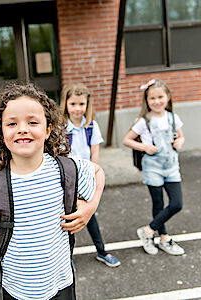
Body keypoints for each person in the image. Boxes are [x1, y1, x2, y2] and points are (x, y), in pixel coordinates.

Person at [0, 82, 105, 300]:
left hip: (60, 283)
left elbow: (98, 172)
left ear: (48, 129)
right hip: (15, 288)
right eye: (11, 123)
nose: (22, 129)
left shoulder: (64, 168)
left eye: (32, 122)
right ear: (0, 131)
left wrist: (89, 208)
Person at [60, 83, 121, 267]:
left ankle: (101, 251)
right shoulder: (61, 128)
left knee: (89, 215)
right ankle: (64, 258)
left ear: (87, 105)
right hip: (66, 180)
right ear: (66, 104)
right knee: (65, 219)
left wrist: (93, 176)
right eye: (73, 104)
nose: (77, 109)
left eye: (81, 104)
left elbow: (94, 154)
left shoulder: (91, 127)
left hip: (85, 180)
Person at [123, 79, 185, 256]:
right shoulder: (144, 121)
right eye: (152, 98)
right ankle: (164, 237)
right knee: (158, 203)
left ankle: (148, 231)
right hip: (153, 167)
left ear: (168, 97)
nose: (157, 101)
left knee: (176, 203)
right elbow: (127, 140)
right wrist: (144, 147)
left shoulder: (173, 118)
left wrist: (180, 141)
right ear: (147, 101)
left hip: (171, 166)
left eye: (160, 97)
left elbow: (181, 136)